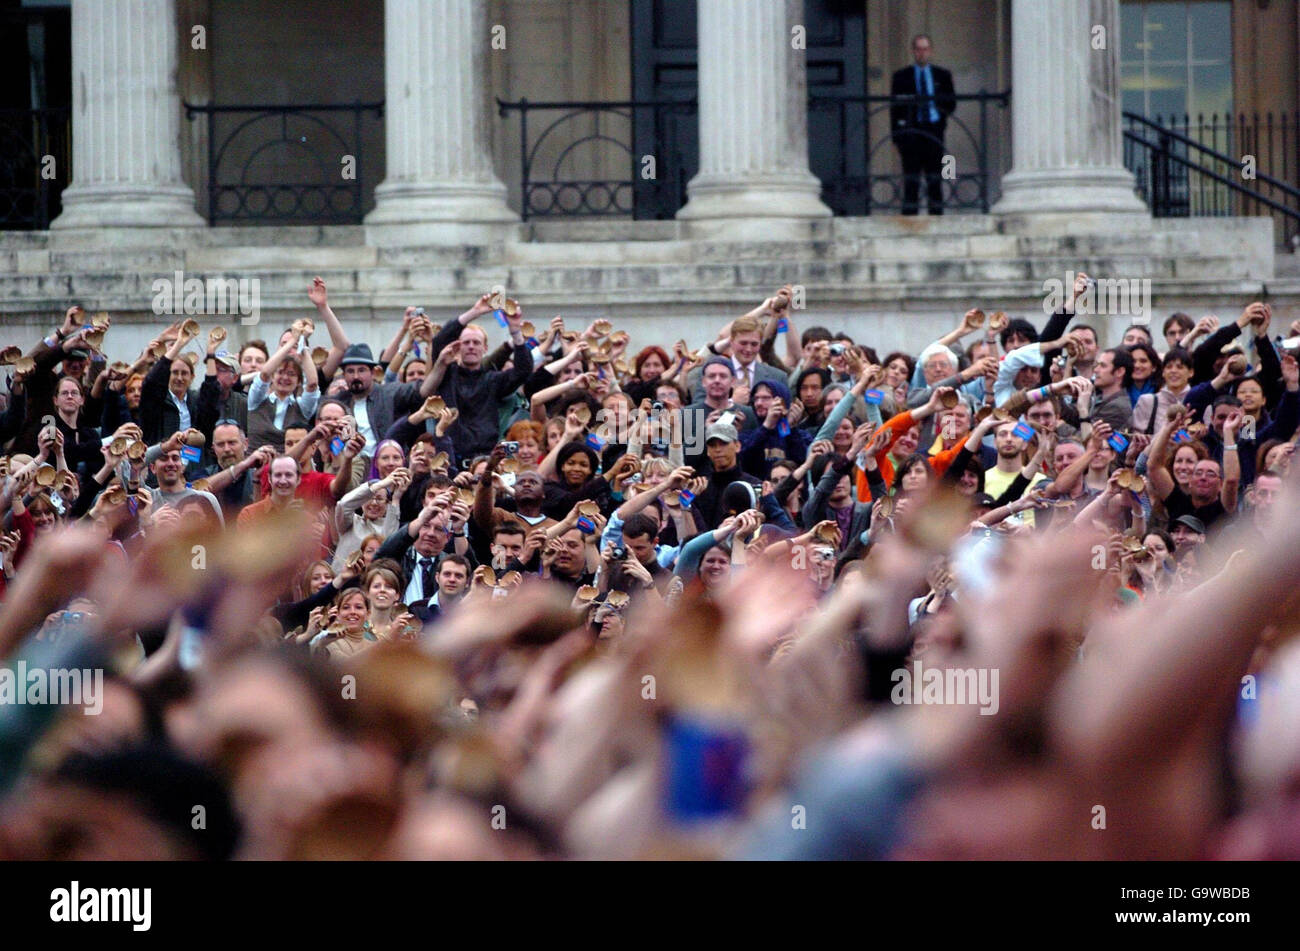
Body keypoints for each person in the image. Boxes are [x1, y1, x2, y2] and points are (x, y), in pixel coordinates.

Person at [890, 34, 955, 215]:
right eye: (918, 49)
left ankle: (937, 217)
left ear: (931, 51)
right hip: (911, 131)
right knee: (911, 178)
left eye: (925, 49)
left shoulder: (943, 75)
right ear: (913, 51)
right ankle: (910, 220)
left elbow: (952, 103)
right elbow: (895, 108)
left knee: (935, 177)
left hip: (934, 131)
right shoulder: (901, 76)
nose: (921, 53)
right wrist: (897, 137)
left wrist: (939, 114)